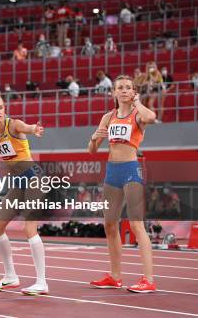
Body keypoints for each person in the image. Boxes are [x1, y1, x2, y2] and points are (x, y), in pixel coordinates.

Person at [88, 75, 157, 292]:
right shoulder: (108, 117)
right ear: (114, 92)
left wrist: (137, 102)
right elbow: (92, 150)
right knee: (109, 225)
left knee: (136, 224)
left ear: (133, 91)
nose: (125, 90)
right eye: (121, 88)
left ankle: (148, 279)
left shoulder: (138, 115)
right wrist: (93, 138)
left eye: (129, 88)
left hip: (131, 170)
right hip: (112, 173)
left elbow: (152, 117)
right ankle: (115, 276)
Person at [0, 95, 48, 295]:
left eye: (1, 107)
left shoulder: (14, 125)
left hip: (34, 177)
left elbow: (27, 127)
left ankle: (42, 282)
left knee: (29, 228)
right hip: (18, 182)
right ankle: (10, 277)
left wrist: (34, 129)